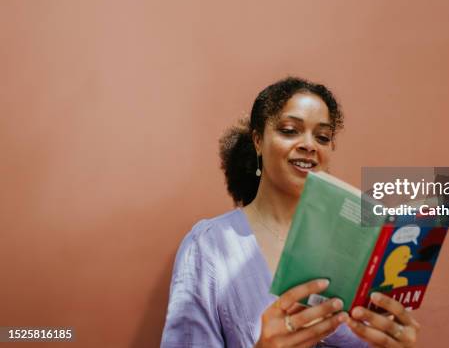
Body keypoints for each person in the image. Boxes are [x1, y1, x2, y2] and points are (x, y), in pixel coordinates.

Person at [160, 76, 420, 347]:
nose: (310, 145)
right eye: (289, 130)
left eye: (322, 136)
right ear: (258, 141)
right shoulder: (208, 247)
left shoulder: (365, 246)